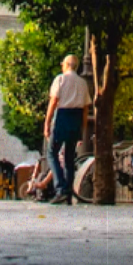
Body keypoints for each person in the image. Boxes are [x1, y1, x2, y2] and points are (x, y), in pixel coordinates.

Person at [44, 55, 90, 206]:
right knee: (70, 157)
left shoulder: (60, 79)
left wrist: (47, 122)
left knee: (51, 152)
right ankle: (68, 192)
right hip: (76, 118)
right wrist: (82, 129)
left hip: (62, 116)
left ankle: (60, 188)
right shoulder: (82, 83)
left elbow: (53, 102)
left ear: (66, 65)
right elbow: (85, 109)